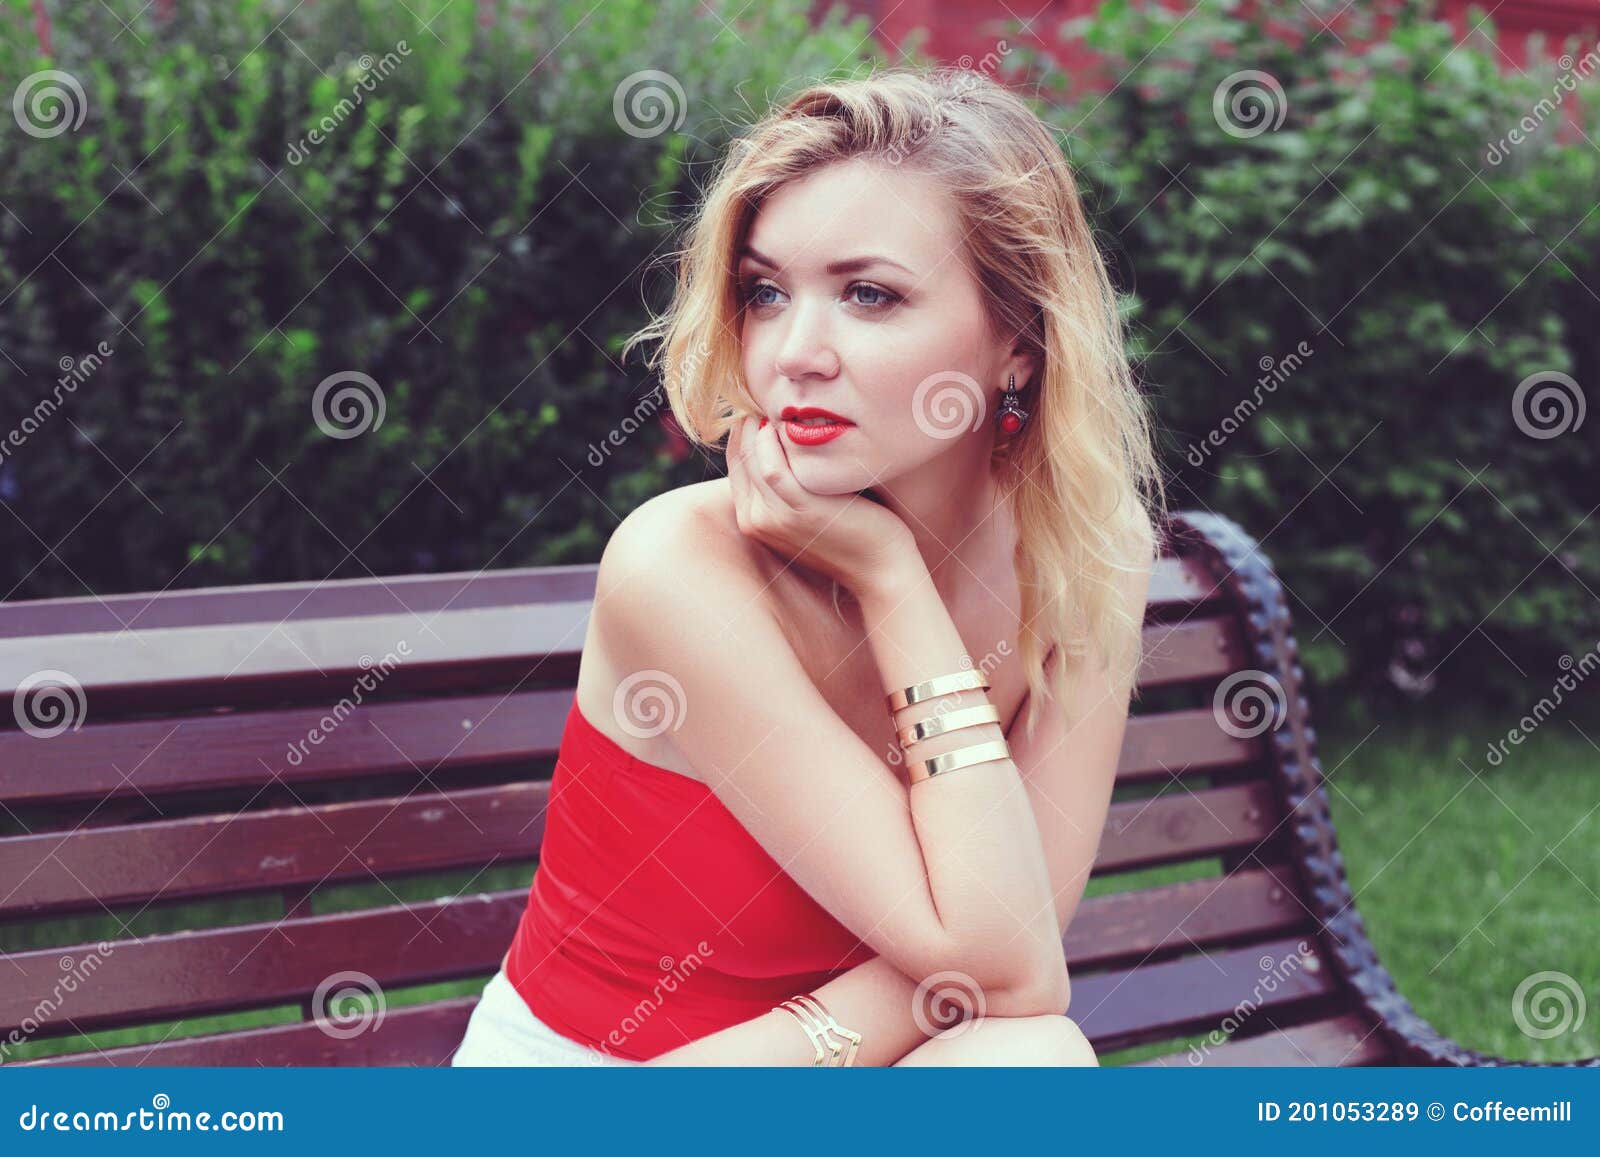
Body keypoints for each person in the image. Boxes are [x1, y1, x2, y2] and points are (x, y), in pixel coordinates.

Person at [451, 63, 1167, 1068]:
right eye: (764, 292)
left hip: (852, 1067)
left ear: (1020, 337)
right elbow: (999, 972)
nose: (796, 351)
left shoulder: (1085, 552)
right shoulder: (676, 566)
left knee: (1025, 1058)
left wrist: (891, 581)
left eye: (869, 294)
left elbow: (1012, 958)